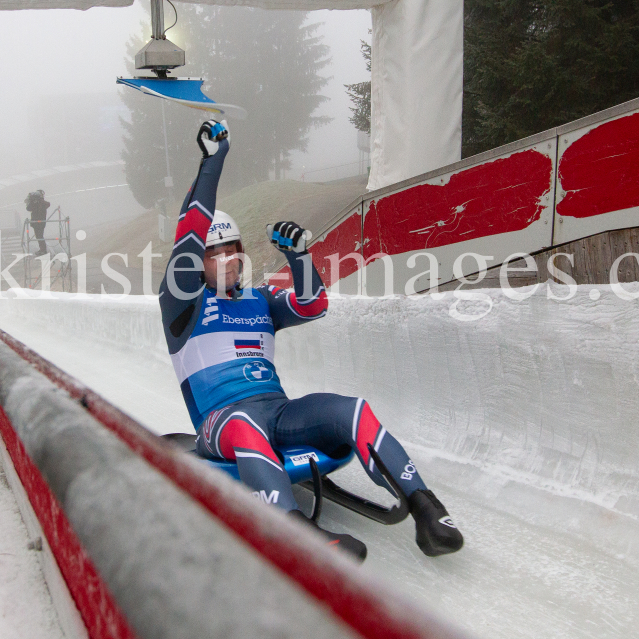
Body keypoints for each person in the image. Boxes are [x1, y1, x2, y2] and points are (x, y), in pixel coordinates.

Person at [159, 120, 464, 561]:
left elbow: (313, 304)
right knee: (245, 427)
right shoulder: (181, 304)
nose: (225, 259)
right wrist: (213, 162)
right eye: (213, 252)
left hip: (278, 414)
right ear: (197, 261)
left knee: (350, 410)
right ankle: (296, 533)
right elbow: (188, 235)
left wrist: (299, 259)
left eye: (231, 249)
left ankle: (426, 508)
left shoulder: (258, 299)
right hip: (221, 423)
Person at [24, 190, 50, 256]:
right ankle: (42, 249)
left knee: (39, 236)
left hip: (37, 223)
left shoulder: (38, 203)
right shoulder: (40, 203)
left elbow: (28, 208)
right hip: (40, 222)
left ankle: (43, 250)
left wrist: (35, 202)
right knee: (39, 236)